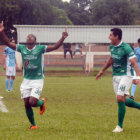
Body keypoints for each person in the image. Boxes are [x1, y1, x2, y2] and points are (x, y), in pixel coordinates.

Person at [0, 21, 68, 129]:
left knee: (32, 102)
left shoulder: (40, 49)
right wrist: (2, 32)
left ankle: (41, 102)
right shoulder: (22, 48)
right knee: (26, 104)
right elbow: (8, 43)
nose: (29, 42)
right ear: (26, 42)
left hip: (37, 79)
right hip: (26, 80)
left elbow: (55, 46)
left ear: (35, 42)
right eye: (28, 41)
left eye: (31, 41)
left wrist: (63, 38)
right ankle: (33, 125)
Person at [96, 28, 140, 133]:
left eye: (111, 35)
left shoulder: (126, 47)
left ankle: (119, 126)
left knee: (120, 98)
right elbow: (111, 59)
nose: (109, 37)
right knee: (122, 100)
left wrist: (138, 77)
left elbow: (134, 62)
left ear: (117, 36)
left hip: (126, 75)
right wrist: (102, 70)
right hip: (116, 76)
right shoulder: (112, 47)